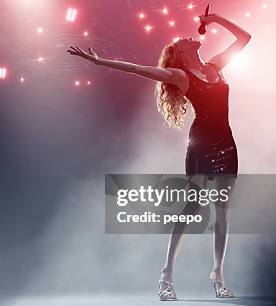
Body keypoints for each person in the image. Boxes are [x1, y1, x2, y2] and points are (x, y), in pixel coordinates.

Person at [68, 12, 251, 301]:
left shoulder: (216, 65)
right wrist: (100, 61)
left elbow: (245, 38)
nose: (188, 37)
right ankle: (166, 275)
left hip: (227, 145)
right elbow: (137, 69)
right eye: (182, 41)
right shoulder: (180, 75)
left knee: (222, 212)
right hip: (202, 146)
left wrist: (215, 18)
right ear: (179, 55)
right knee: (191, 210)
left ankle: (218, 273)